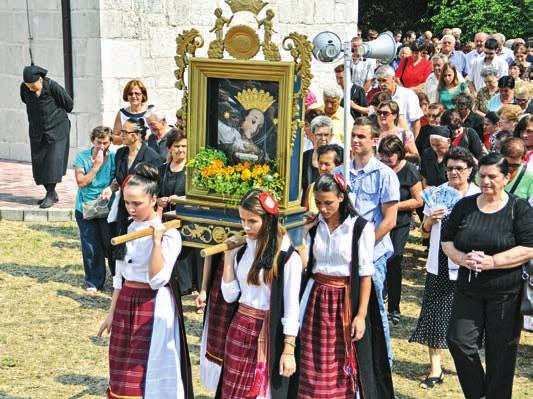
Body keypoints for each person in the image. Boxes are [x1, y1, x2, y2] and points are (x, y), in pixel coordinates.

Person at [97, 163, 194, 399]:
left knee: (144, 369)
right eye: (127, 203)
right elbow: (119, 278)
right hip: (126, 301)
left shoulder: (169, 235)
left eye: (137, 203)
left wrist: (157, 242)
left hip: (151, 305)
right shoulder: (128, 229)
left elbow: (157, 279)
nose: (131, 208)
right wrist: (112, 312)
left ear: (153, 199)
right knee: (120, 367)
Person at [294, 173, 394, 399]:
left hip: (344, 300)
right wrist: (302, 233)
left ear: (341, 197)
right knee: (311, 355)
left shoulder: (359, 228)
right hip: (315, 297)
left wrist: (361, 315)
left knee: (341, 358)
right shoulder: (314, 225)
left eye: (328, 202)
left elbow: (365, 274)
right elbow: (304, 264)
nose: (323, 208)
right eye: (318, 202)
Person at [442, 153, 533, 399]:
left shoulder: (519, 208)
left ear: (507, 177)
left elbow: (528, 247)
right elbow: (446, 240)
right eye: (482, 175)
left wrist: (492, 262)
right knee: (458, 341)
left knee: (501, 353)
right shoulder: (465, 206)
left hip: (506, 294)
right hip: (468, 290)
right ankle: (478, 394)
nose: (486, 181)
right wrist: (462, 259)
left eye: (492, 176)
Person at [217, 189, 302, 398]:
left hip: (268, 331)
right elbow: (230, 296)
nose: (246, 227)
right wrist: (228, 257)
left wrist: (288, 351)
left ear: (268, 220)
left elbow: (292, 308)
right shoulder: (244, 249)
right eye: (242, 220)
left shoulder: (287, 256)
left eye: (252, 221)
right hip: (239, 327)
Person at [410, 147, 480, 390]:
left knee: (468, 315)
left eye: (459, 169)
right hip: (439, 259)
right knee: (436, 312)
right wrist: (430, 219)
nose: (453, 173)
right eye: (450, 168)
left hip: (471, 260)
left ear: (470, 170)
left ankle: (469, 363)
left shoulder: (478, 196)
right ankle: (435, 367)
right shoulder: (437, 194)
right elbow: (424, 232)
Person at [336, 117, 400, 364]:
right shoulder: (340, 172)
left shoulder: (385, 175)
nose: (354, 140)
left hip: (373, 253)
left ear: (375, 140)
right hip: (342, 252)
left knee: (374, 306)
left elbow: (389, 220)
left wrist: (362, 246)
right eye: (353, 135)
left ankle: (384, 358)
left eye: (361, 136)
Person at [378, 136, 423, 325]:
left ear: (399, 154)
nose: (386, 160)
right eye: (382, 156)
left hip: (400, 223)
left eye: (390, 157)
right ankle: (380, 299)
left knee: (394, 261)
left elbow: (418, 200)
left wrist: (393, 205)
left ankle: (394, 308)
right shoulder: (379, 168)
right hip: (380, 222)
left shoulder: (409, 171)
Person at [20, 65, 74, 208]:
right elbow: (26, 101)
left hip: (57, 129)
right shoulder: (24, 89)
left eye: (33, 85)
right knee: (40, 163)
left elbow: (69, 105)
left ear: (40, 79)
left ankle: (50, 194)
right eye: (28, 85)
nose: (31, 88)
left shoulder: (52, 87)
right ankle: (51, 193)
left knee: (53, 162)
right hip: (37, 131)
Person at [113, 118, 162, 262]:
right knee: (122, 243)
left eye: (125, 132)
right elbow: (118, 178)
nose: (121, 135)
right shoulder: (120, 154)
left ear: (137, 134)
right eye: (121, 131)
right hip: (124, 206)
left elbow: (156, 187)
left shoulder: (151, 157)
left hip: (142, 209)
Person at [73, 126, 115, 295]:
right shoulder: (82, 157)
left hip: (106, 206)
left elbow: (116, 179)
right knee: (91, 245)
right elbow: (81, 182)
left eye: (105, 143)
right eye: (99, 143)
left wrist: (111, 188)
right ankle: (94, 281)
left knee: (110, 243)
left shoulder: (113, 157)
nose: (102, 146)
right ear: (93, 141)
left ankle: (116, 277)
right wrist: (96, 166)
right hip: (86, 208)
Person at [375, 65, 424, 137]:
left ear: (393, 79)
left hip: (404, 140)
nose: (381, 84)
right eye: (379, 81)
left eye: (384, 80)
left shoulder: (408, 95)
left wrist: (413, 144)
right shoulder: (379, 97)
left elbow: (416, 123)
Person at [302, 144, 343, 214]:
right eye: (320, 163)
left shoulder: (345, 189)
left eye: (327, 164)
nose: (322, 168)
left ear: (340, 166)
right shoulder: (311, 188)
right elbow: (305, 215)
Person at [301, 115, 334, 199]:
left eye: (326, 135)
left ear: (331, 136)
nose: (323, 138)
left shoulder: (338, 157)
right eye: (319, 135)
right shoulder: (304, 157)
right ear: (312, 135)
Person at [112, 79, 154, 145]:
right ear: (127, 96)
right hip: (129, 152)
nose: (134, 96)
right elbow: (114, 139)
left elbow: (161, 134)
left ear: (143, 95)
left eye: (137, 93)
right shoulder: (122, 113)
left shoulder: (151, 111)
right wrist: (127, 138)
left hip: (149, 152)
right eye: (130, 94)